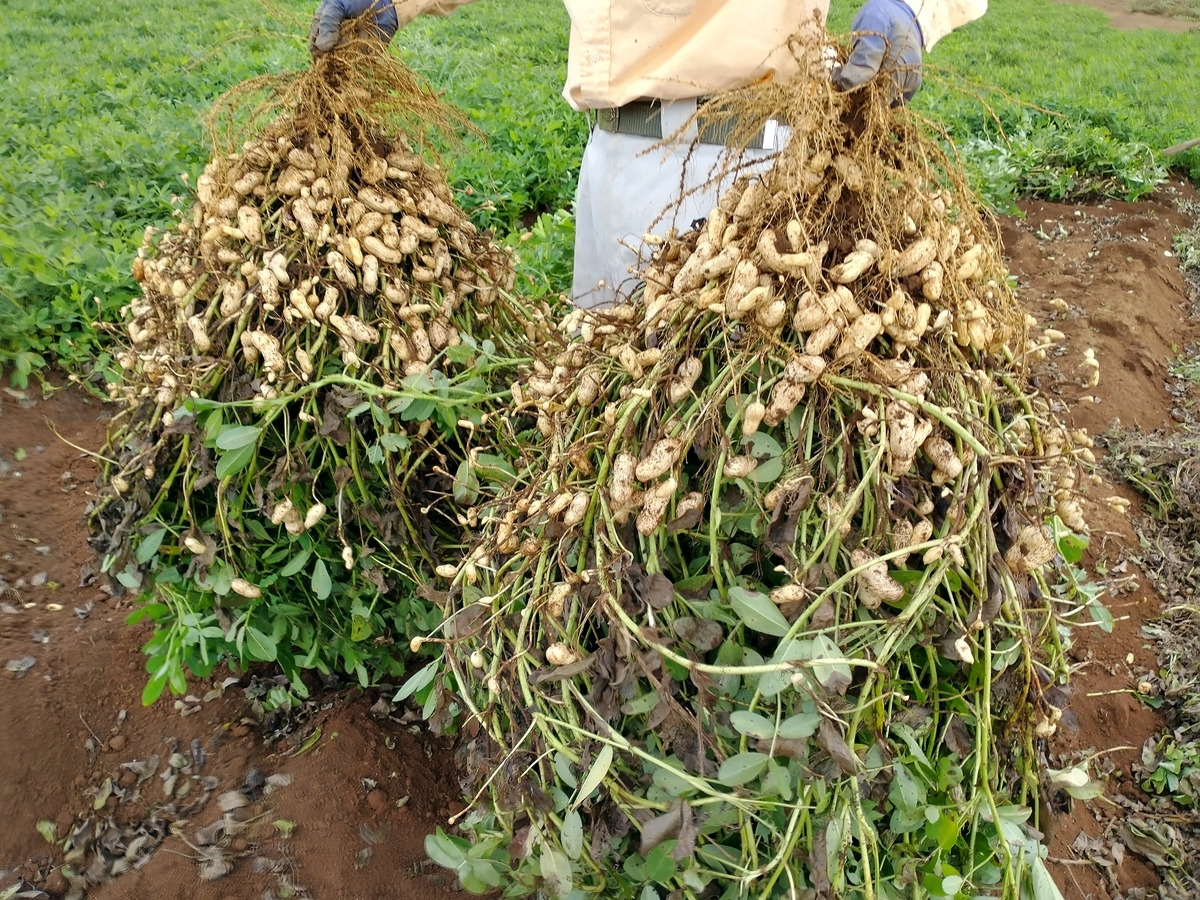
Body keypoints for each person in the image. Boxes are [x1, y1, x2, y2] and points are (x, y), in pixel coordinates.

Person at [309, 1, 986, 309]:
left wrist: (910, 8)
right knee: (606, 399)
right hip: (612, 155)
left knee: (718, 408)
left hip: (739, 170)